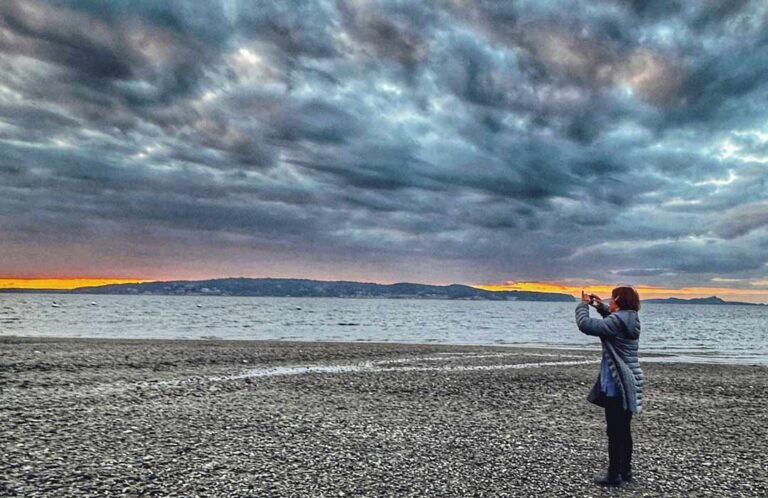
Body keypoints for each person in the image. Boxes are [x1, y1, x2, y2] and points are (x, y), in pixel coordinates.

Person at [575, 286, 644, 487]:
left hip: (617, 383)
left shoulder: (617, 321)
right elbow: (614, 320)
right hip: (630, 380)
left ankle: (614, 476)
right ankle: (625, 472)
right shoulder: (631, 318)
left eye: (612, 299)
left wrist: (583, 305)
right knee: (624, 429)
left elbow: (585, 325)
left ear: (619, 300)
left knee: (615, 431)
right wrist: (600, 307)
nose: (610, 301)